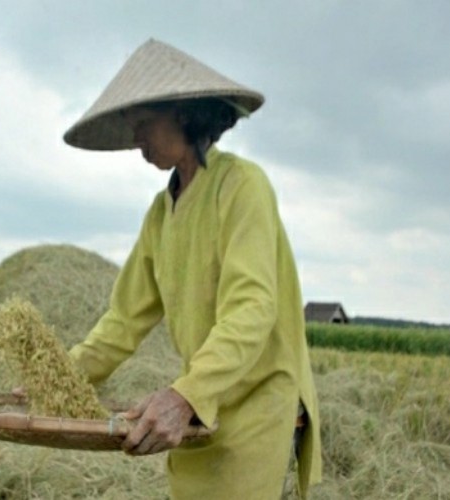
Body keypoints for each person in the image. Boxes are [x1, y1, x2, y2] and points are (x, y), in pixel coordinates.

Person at [62, 39, 322, 499]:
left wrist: (186, 394)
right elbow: (123, 319)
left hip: (253, 399)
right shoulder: (160, 214)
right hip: (200, 404)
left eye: (143, 123)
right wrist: (66, 374)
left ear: (183, 114)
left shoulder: (241, 186)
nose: (137, 139)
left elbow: (252, 307)